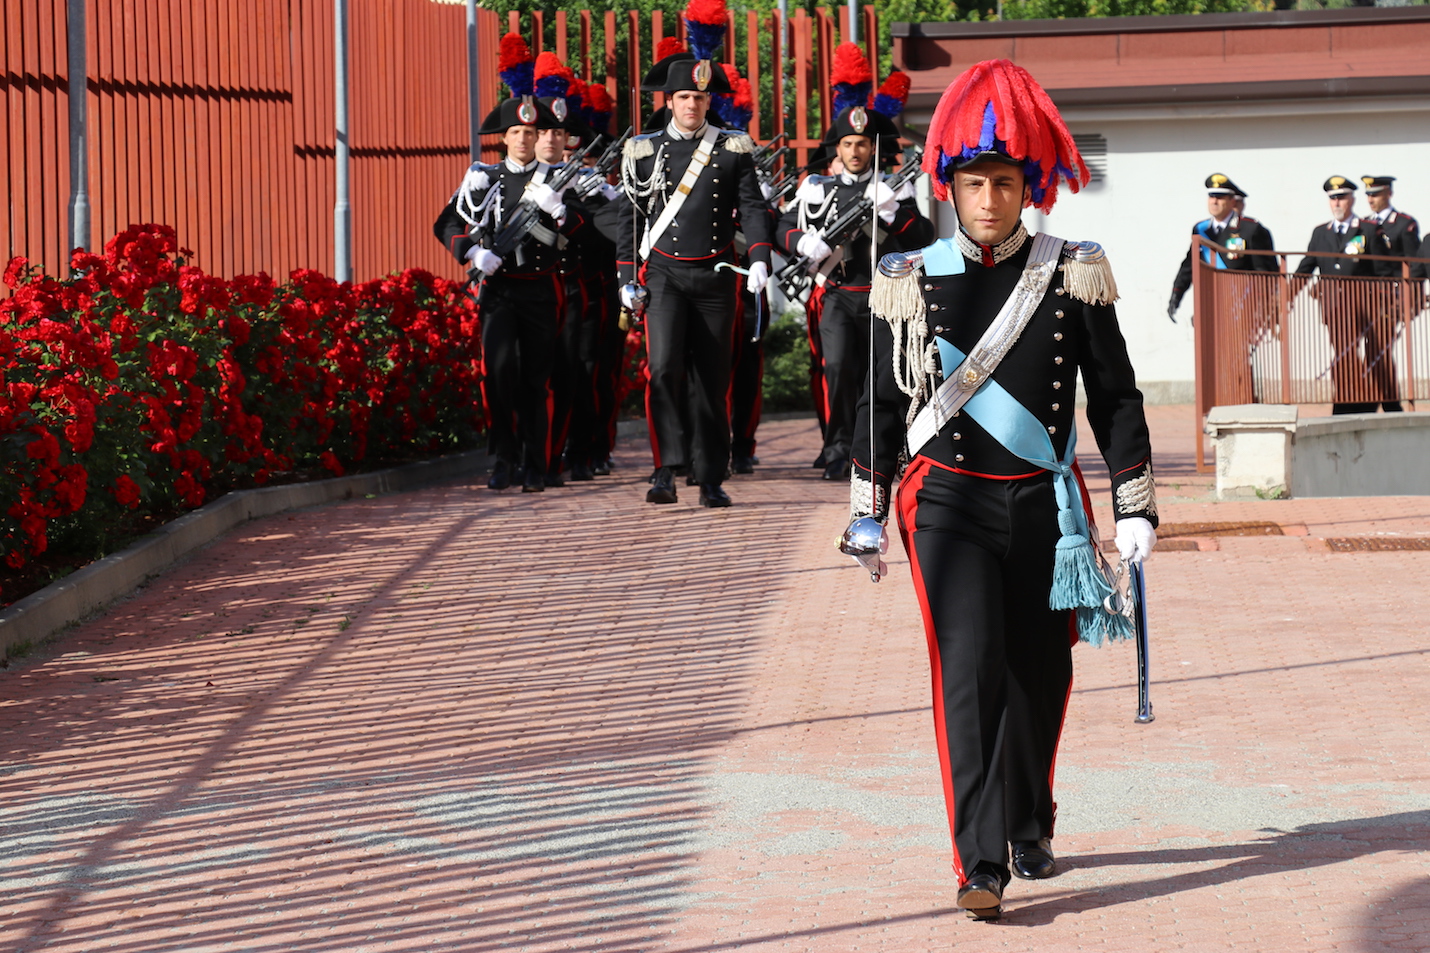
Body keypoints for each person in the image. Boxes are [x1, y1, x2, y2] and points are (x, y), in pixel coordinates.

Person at [847, 59, 1158, 921]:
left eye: (1006, 183)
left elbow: (1116, 395)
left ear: (1031, 187)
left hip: (1045, 503)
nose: (989, 199)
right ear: (950, 186)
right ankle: (979, 862)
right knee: (970, 667)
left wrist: (1134, 502)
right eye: (975, 183)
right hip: (946, 499)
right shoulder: (910, 275)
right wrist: (867, 509)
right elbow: (879, 403)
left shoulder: (1072, 270)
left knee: (1041, 673)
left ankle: (1028, 819)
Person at [615, 0, 773, 507]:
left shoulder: (732, 148)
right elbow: (629, 218)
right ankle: (665, 468)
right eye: (684, 97)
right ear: (669, 101)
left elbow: (752, 207)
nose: (692, 105)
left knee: (712, 377)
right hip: (663, 275)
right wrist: (626, 277)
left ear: (709, 101)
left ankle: (710, 476)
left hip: (715, 275)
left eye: (700, 98)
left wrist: (761, 259)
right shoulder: (643, 150)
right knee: (663, 369)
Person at [433, 34, 588, 491]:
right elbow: (446, 223)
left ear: (540, 137)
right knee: (498, 373)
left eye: (531, 133)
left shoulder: (558, 180)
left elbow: (586, 226)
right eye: (516, 133)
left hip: (540, 288)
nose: (524, 139)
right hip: (499, 291)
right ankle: (503, 458)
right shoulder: (484, 177)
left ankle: (536, 465)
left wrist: (561, 211)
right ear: (504, 138)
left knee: (537, 380)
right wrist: (472, 251)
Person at [777, 44, 930, 481]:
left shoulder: (894, 188)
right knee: (839, 371)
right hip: (839, 293)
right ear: (837, 148)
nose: (856, 150)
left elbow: (922, 237)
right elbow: (782, 225)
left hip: (885, 296)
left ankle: (885, 451)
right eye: (848, 144)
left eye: (863, 143)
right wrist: (802, 242)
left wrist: (893, 213)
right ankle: (838, 450)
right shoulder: (817, 188)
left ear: (873, 146)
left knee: (886, 376)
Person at [1293, 177, 1398, 414]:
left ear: (1352, 199)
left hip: (1367, 307)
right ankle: (1345, 404)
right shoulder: (1321, 233)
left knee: (1375, 354)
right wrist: (1286, 296)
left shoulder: (1368, 229)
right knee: (1344, 353)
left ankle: (1381, 403)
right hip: (1335, 307)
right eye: (1333, 198)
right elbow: (1305, 268)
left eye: (1341, 197)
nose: (1337, 203)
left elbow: (1384, 271)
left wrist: (1387, 304)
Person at [1167, 174, 1278, 323]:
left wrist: (1265, 306)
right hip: (1210, 303)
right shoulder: (1200, 229)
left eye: (1220, 197)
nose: (1214, 201)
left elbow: (1265, 271)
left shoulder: (1250, 229)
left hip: (1242, 307)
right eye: (1211, 197)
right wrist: (1176, 295)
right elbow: (1189, 266)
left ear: (1232, 201)